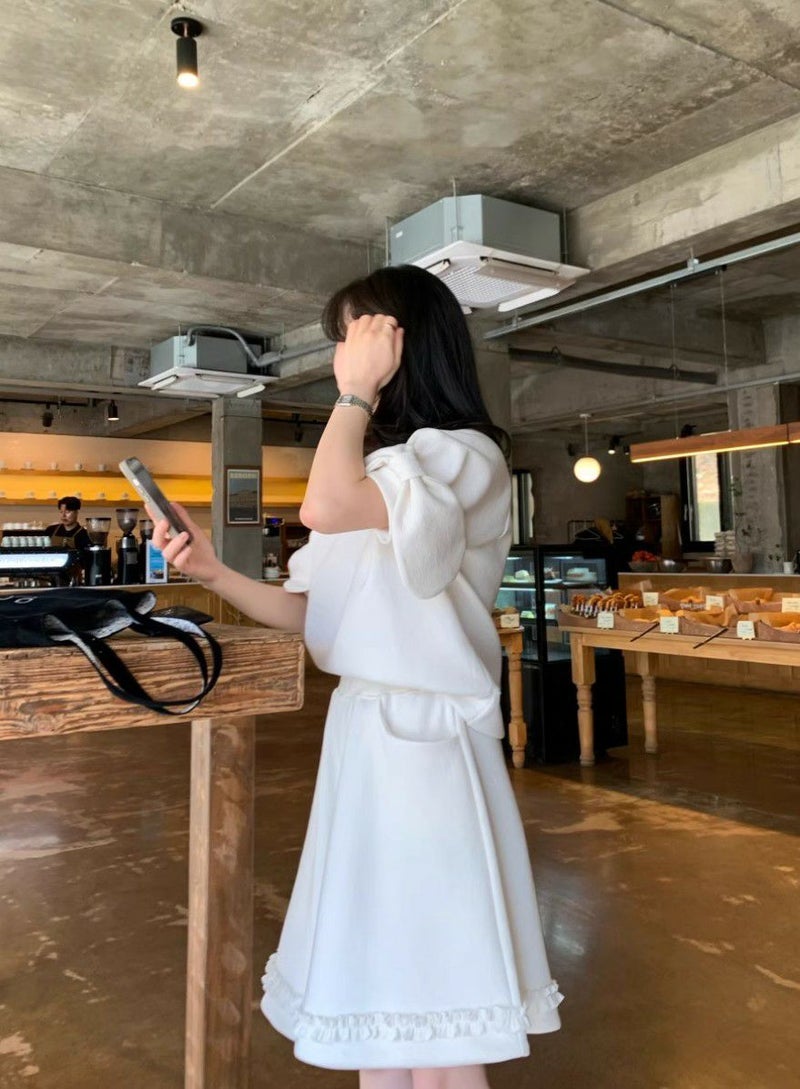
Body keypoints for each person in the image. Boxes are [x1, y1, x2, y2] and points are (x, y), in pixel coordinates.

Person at [150, 265, 563, 1089]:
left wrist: (352, 394)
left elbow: (325, 508)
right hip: (365, 736)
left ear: (402, 343)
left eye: (356, 334)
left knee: (439, 998)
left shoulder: (463, 456)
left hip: (430, 740)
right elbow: (310, 610)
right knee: (378, 992)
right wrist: (213, 572)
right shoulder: (381, 469)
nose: (345, 351)